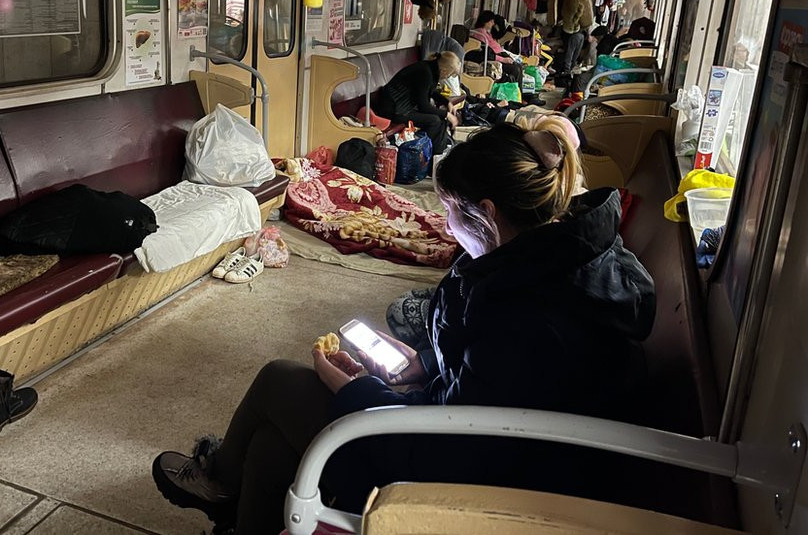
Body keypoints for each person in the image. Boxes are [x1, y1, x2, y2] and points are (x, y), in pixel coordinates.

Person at [151, 117, 656, 535]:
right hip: (486, 440)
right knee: (271, 448)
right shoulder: (552, 261)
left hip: (479, 480)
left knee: (280, 381)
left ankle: (221, 483)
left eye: (452, 212)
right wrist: (427, 364)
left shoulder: (537, 316)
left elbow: (452, 449)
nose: (449, 227)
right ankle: (232, 508)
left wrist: (356, 391)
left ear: (487, 214)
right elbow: (485, 382)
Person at [372, 51, 462, 154]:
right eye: (450, 74)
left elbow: (430, 91)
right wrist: (447, 114)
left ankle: (436, 151)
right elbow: (424, 106)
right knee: (434, 121)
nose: (448, 77)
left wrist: (447, 103)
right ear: (444, 71)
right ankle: (419, 152)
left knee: (439, 119)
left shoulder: (429, 68)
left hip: (401, 106)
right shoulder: (425, 73)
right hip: (393, 109)